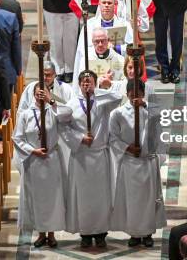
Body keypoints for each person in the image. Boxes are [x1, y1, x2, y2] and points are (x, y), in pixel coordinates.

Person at [62, 70, 121, 248]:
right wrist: (80, 138)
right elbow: (64, 128)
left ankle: (101, 232)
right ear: (79, 85)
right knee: (83, 197)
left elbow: (117, 97)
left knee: (101, 196)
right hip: (81, 155)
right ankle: (85, 233)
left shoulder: (102, 102)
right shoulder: (71, 105)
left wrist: (98, 91)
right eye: (84, 83)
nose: (86, 85)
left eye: (90, 82)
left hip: (99, 155)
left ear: (95, 84)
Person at [13, 83, 72, 248]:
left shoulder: (53, 111)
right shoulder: (25, 114)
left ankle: (52, 234)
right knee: (36, 198)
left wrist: (51, 101)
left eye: (44, 91)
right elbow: (17, 138)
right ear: (33, 94)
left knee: (53, 197)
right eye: (38, 92)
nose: (41, 95)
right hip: (34, 161)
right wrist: (33, 150)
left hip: (51, 159)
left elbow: (68, 115)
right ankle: (40, 233)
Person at [109, 80, 166, 247]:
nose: (134, 96)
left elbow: (163, 114)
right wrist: (127, 148)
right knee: (132, 200)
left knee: (149, 200)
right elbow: (112, 138)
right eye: (131, 93)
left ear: (143, 93)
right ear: (126, 94)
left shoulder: (150, 110)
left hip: (147, 162)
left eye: (138, 93)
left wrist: (145, 103)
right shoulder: (118, 113)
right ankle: (134, 233)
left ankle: (148, 232)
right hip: (129, 163)